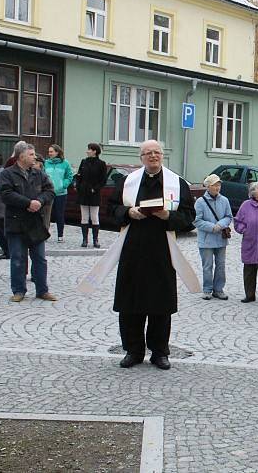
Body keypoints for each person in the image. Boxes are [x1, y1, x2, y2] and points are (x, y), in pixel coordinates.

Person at [108, 139, 196, 370]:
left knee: (161, 305)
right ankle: (133, 351)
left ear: (162, 155)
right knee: (130, 304)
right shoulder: (127, 181)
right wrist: (129, 212)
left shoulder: (177, 183)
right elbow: (111, 209)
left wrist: (169, 216)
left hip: (162, 251)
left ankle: (159, 352)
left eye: (156, 152)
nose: (153, 156)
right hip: (132, 250)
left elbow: (188, 217)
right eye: (147, 153)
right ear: (141, 158)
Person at [0, 142, 56, 302]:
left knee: (40, 258)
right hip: (16, 223)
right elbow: (5, 194)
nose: (35, 157)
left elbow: (50, 191)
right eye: (31, 154)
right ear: (21, 156)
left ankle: (42, 290)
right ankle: (18, 291)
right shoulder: (7, 174)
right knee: (18, 258)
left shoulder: (38, 173)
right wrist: (27, 203)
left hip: (35, 223)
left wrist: (39, 201)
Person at [194, 173, 232, 301]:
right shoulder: (200, 202)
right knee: (207, 266)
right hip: (206, 240)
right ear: (208, 187)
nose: (218, 187)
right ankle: (207, 290)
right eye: (215, 185)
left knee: (221, 265)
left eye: (219, 184)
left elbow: (228, 217)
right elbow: (196, 221)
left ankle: (218, 289)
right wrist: (212, 227)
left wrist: (220, 225)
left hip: (221, 239)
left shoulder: (225, 200)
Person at [75, 143, 107, 248]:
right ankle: (85, 240)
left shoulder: (101, 164)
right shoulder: (84, 162)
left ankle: (95, 240)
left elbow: (103, 180)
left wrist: (95, 188)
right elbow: (79, 176)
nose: (87, 151)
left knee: (94, 217)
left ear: (94, 151)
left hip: (94, 194)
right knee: (84, 218)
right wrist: (78, 187)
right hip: (83, 193)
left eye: (89, 149)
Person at [44, 144, 74, 243]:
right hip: (48, 193)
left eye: (51, 151)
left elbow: (69, 176)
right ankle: (45, 234)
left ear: (57, 152)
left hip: (61, 193)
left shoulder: (65, 163)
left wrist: (63, 185)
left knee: (59, 214)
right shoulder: (46, 163)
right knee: (46, 214)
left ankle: (60, 235)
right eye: (49, 152)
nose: (49, 153)